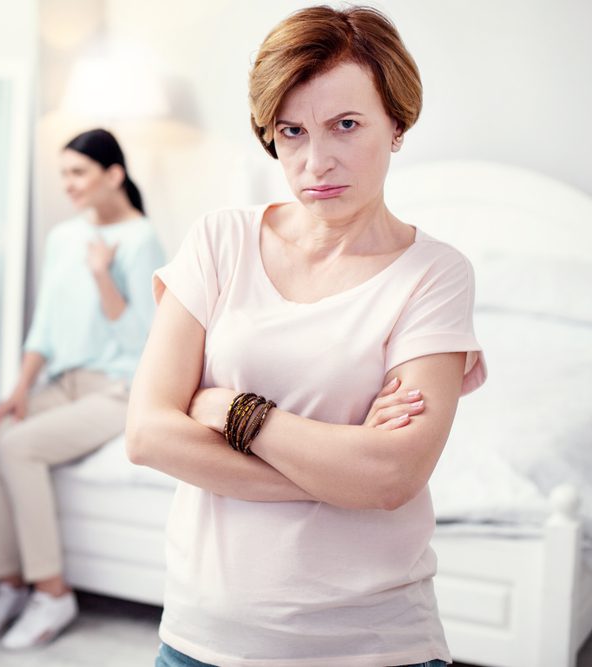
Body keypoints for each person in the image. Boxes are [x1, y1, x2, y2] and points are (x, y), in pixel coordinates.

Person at [125, 7, 487, 667]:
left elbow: (392, 476)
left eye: (346, 125)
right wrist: (338, 471)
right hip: (198, 640)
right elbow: (147, 434)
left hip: (372, 647)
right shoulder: (219, 241)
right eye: (292, 131)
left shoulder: (434, 275)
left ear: (397, 124)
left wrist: (232, 411)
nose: (316, 162)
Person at [0, 128, 166, 649]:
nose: (69, 184)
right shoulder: (62, 237)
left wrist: (103, 275)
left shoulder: (142, 240)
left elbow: (148, 339)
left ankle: (52, 592)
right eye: (64, 175)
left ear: (113, 175)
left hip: (120, 387)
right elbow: (46, 326)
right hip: (64, 380)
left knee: (18, 446)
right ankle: (10, 582)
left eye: (78, 172)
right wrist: (19, 389)